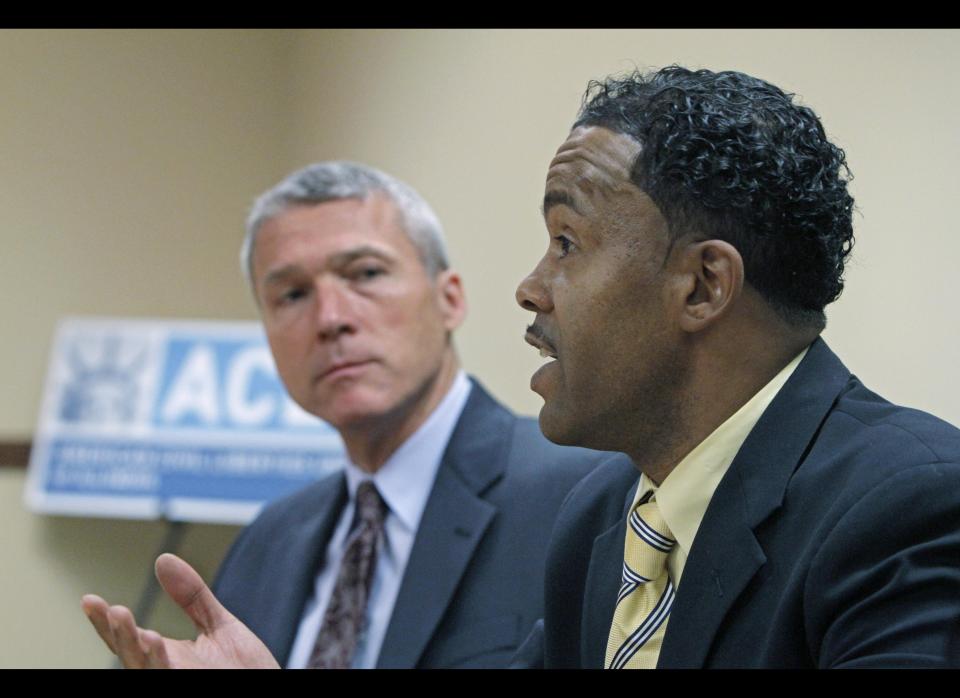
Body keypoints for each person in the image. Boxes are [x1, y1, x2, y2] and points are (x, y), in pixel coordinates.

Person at [81, 162, 620, 669]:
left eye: (364, 273)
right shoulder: (266, 542)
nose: (330, 318)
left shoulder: (586, 492)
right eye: (292, 294)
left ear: (449, 298)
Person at [511, 66, 960, 668]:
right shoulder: (597, 517)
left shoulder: (908, 506)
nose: (531, 288)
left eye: (567, 242)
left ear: (702, 287)